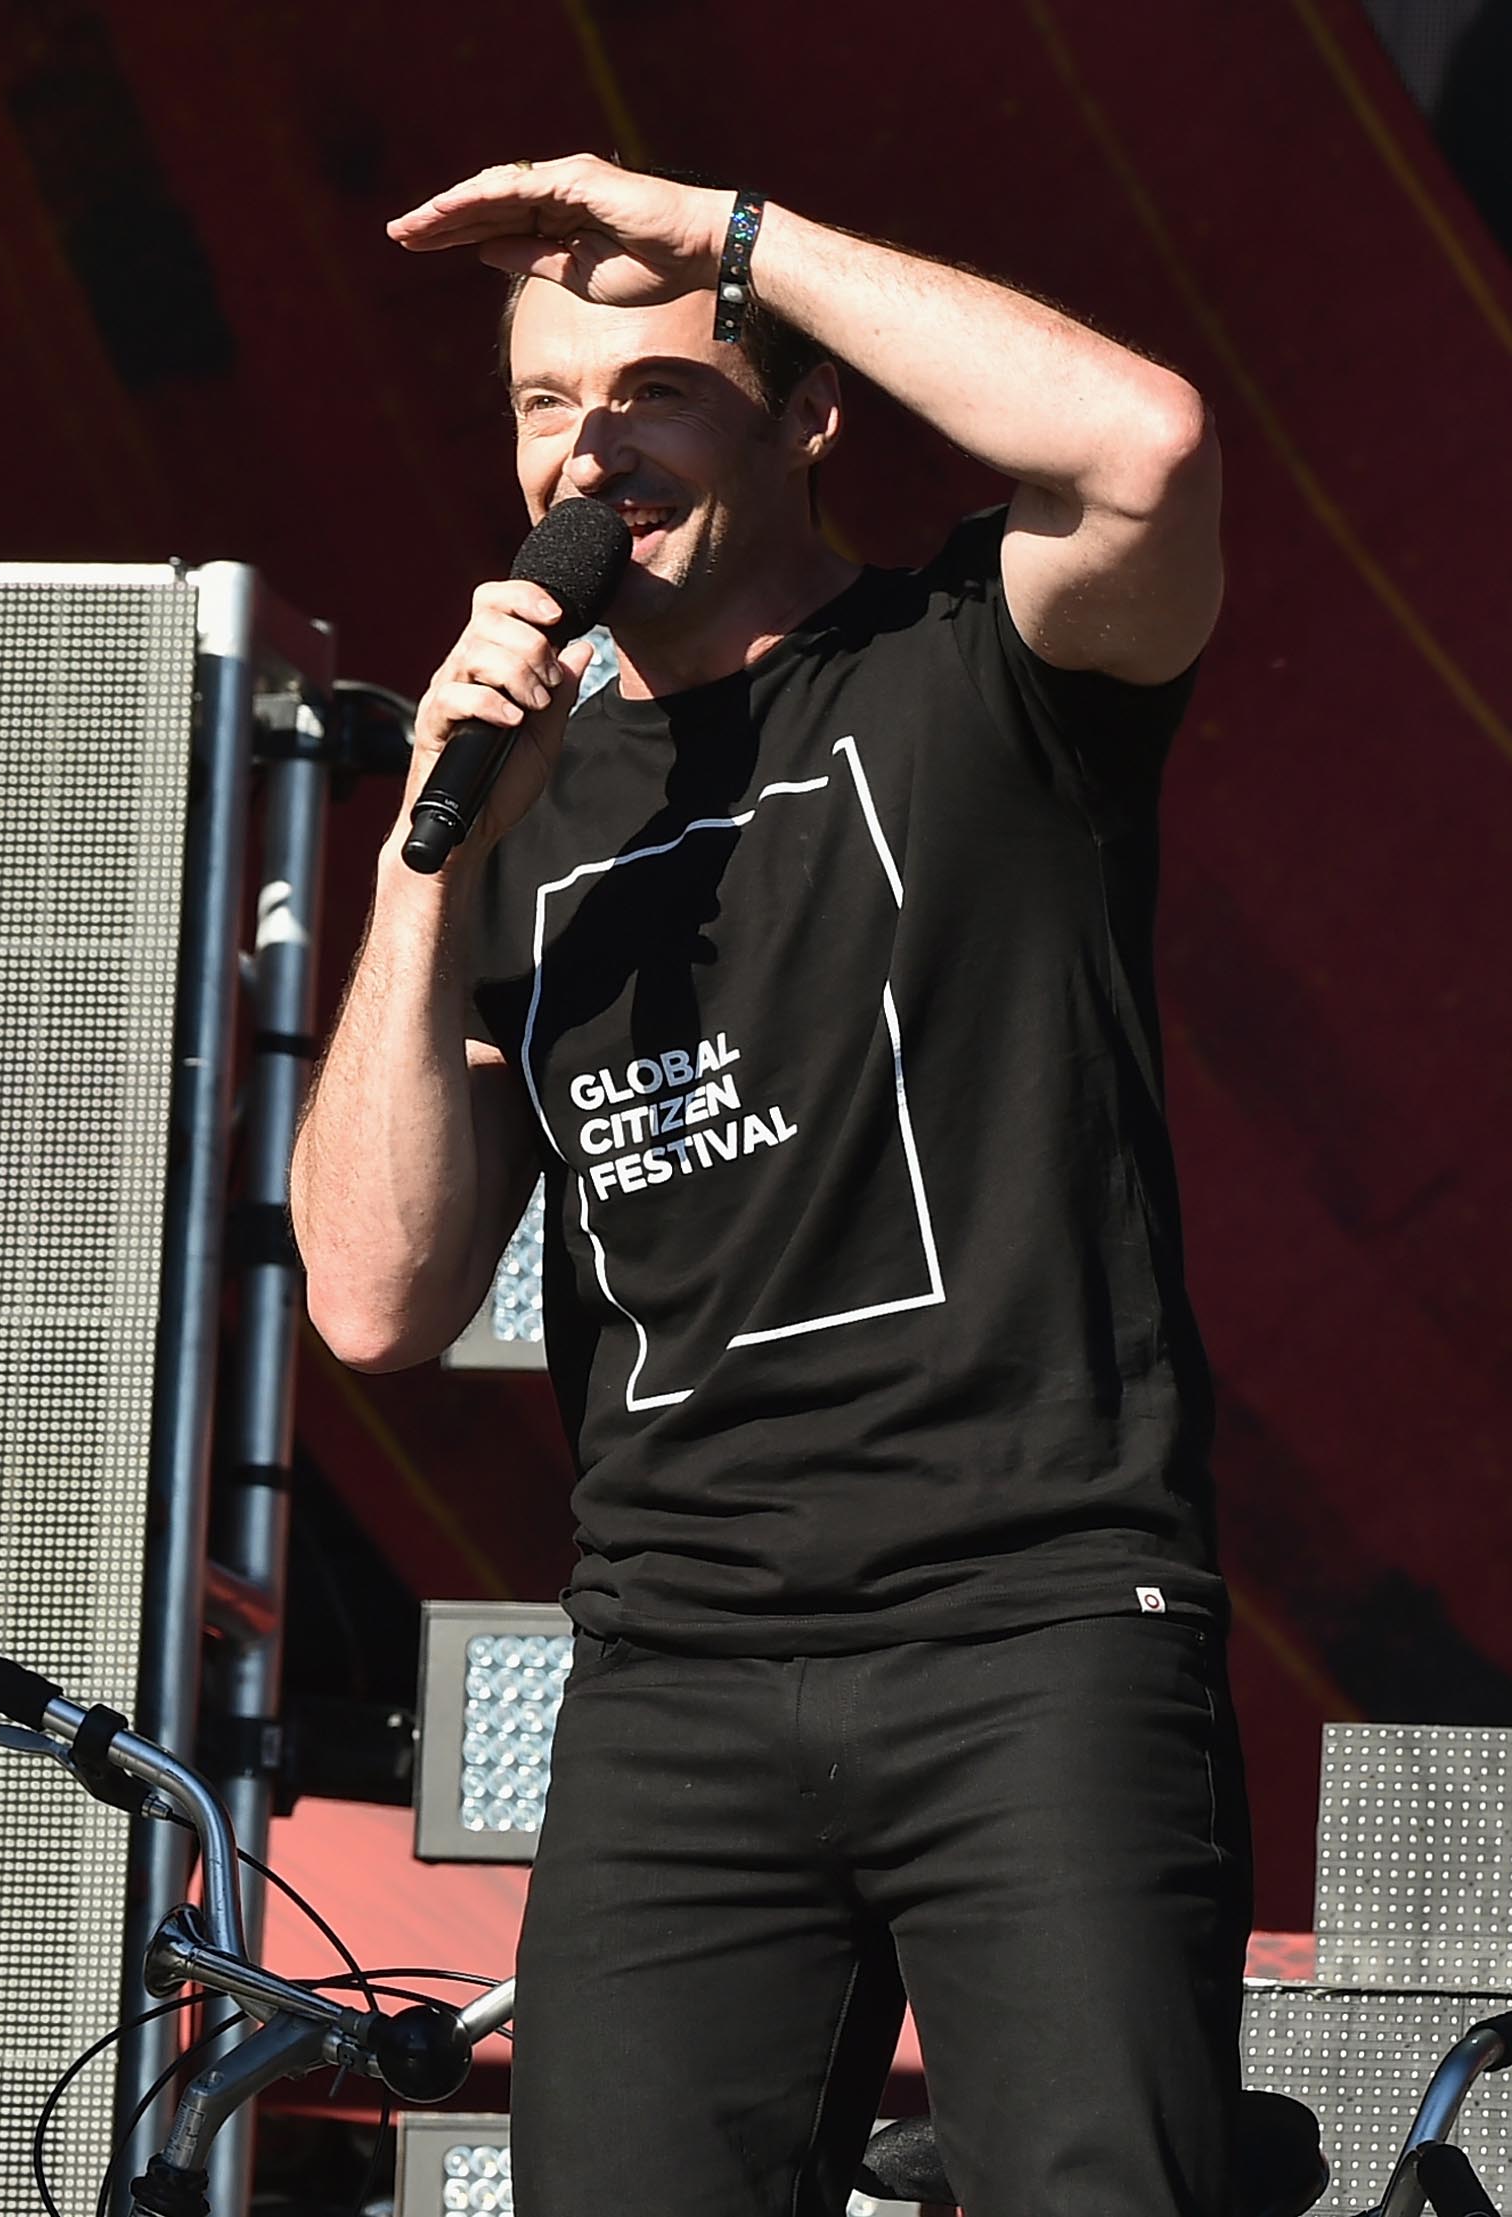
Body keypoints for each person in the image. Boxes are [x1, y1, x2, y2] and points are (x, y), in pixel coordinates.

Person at [292, 156, 1246, 2215]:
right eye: (548, 404)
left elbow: (1149, 445)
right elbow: (370, 1295)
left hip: (1032, 1612)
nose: (589, 449)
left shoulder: (976, 660)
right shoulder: (527, 798)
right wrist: (425, 869)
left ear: (809, 413)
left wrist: (717, 226)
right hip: (683, 1665)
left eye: (653, 392)